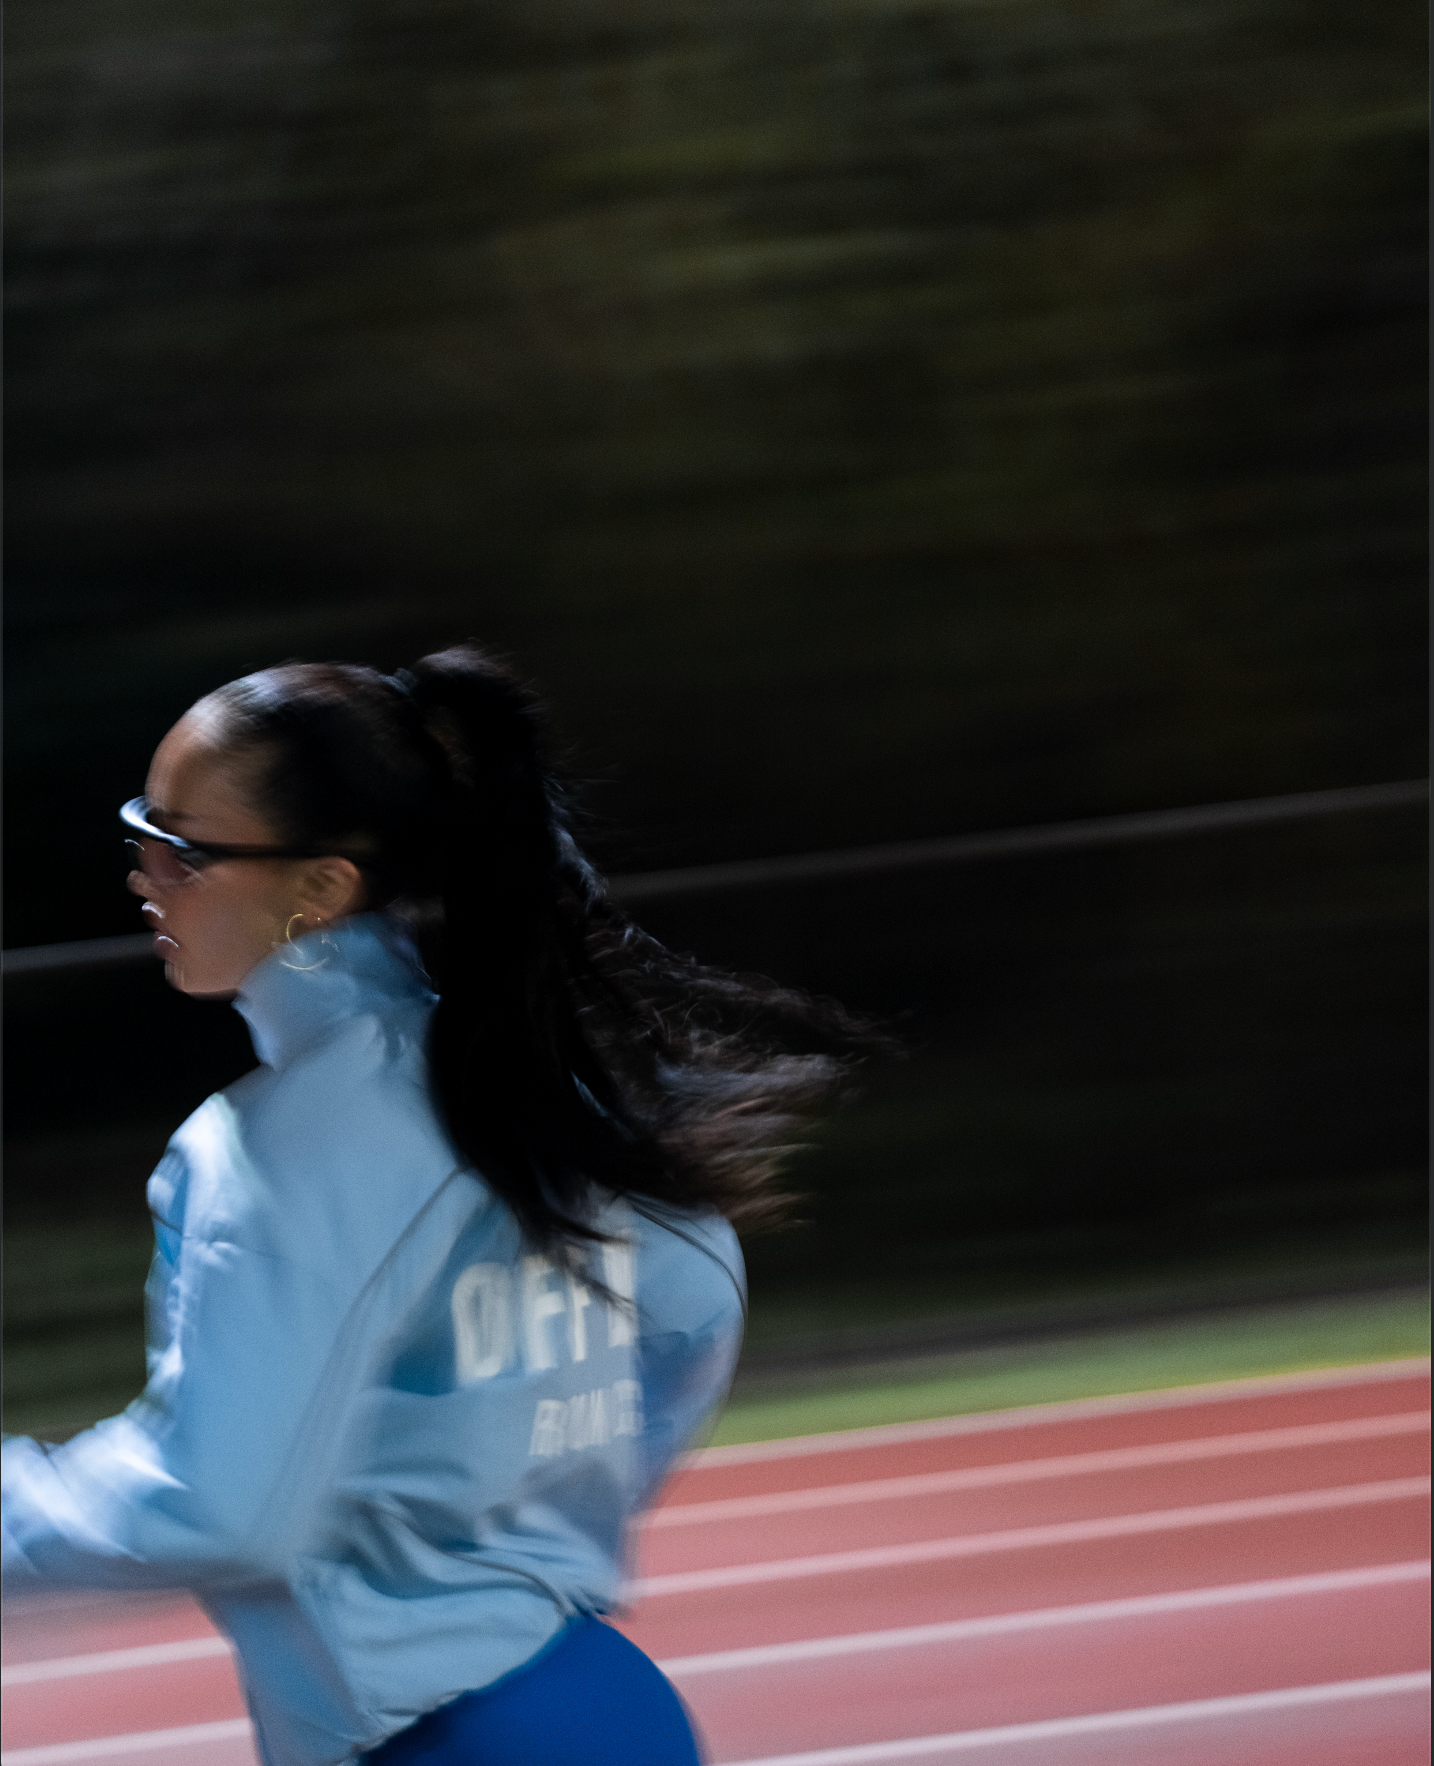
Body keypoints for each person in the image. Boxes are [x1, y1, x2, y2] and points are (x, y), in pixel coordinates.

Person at [2, 646, 870, 1766]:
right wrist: (528, 1513)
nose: (143, 871)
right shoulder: (524, 1077)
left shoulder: (278, 1148)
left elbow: (216, 1505)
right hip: (597, 1699)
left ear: (320, 886)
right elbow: (696, 1299)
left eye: (182, 847)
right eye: (143, 827)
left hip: (445, 1736)